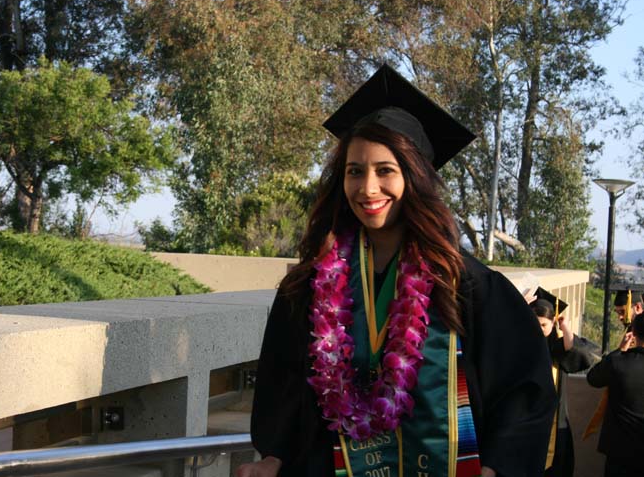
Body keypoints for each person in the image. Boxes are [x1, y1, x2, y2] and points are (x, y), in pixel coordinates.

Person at [238, 64, 555, 477]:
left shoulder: (467, 285)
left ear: (417, 176)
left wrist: (498, 468)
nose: (368, 189)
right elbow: (284, 386)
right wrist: (273, 458)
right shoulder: (311, 286)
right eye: (355, 171)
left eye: (385, 171)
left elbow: (522, 391)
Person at [530, 288, 596, 477]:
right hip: (528, 420)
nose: (538, 329)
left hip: (554, 422)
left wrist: (565, 327)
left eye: (543, 325)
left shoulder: (557, 347)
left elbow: (581, 354)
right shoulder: (524, 344)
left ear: (552, 323)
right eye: (535, 324)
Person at [586, 313, 644, 477]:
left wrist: (620, 350)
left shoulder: (619, 362)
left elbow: (593, 379)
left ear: (634, 334)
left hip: (620, 451)